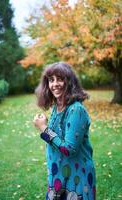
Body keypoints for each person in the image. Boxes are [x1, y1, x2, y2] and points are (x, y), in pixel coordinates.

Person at [33, 62, 96, 200]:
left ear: (70, 82)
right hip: (58, 173)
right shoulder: (57, 106)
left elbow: (68, 148)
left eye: (60, 79)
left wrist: (44, 128)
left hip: (77, 176)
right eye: (51, 80)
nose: (55, 84)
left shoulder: (75, 109)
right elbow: (57, 138)